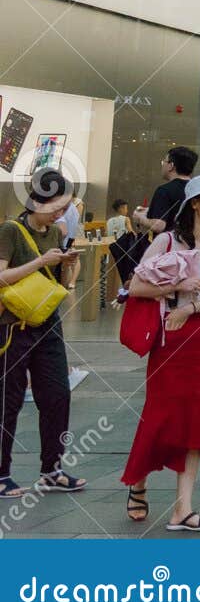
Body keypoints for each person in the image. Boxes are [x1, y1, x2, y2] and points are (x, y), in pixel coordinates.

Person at [122, 172, 200, 531]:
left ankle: (182, 509)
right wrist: (177, 285)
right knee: (160, 414)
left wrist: (190, 308)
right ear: (195, 203)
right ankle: (138, 481)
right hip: (168, 336)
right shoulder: (167, 241)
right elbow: (135, 285)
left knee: (197, 419)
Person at [0, 169, 83, 501]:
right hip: (13, 328)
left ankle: (52, 468)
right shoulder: (11, 230)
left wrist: (63, 263)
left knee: (58, 395)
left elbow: (56, 285)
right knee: (9, 401)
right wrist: (40, 262)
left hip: (48, 324)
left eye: (64, 206)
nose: (60, 212)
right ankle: (2, 473)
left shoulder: (55, 233)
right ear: (35, 199)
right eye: (56, 205)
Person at [139, 145, 197, 238]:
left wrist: (140, 218)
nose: (162, 165)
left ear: (171, 165)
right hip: (194, 246)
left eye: (164, 162)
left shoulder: (164, 190)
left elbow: (159, 225)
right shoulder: (198, 190)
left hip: (170, 248)